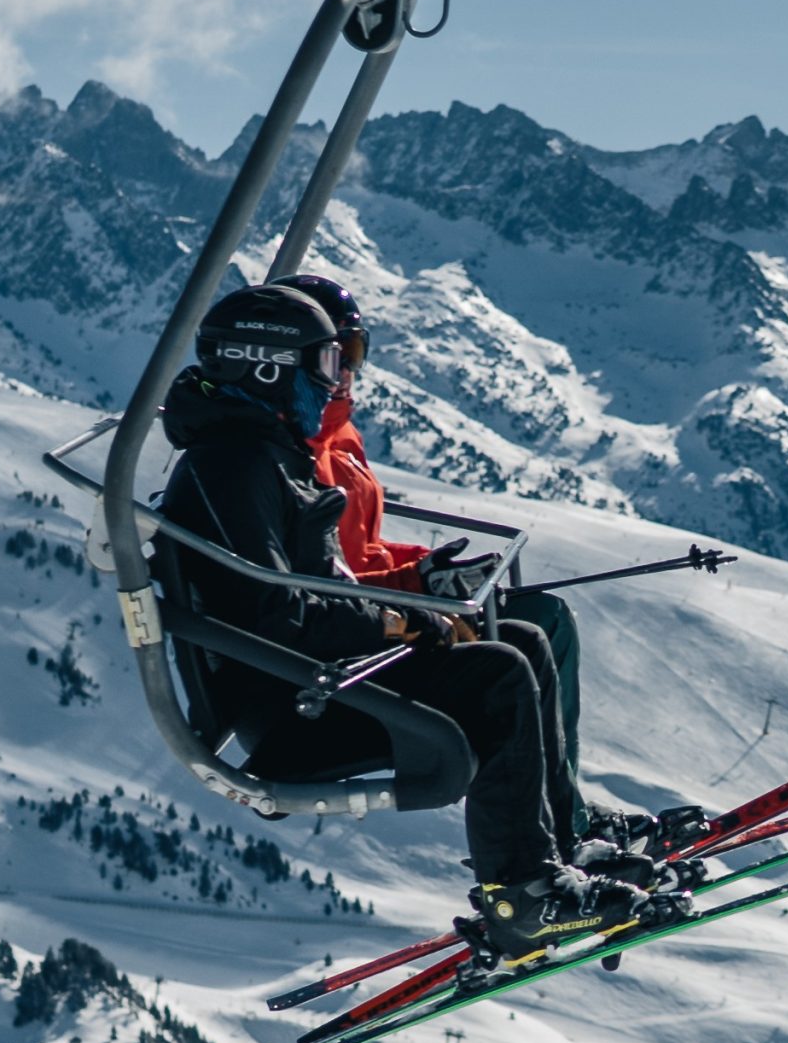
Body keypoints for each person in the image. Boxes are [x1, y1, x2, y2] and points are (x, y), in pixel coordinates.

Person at [156, 283, 665, 953]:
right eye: (326, 366)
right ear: (268, 365)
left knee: (522, 638)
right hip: (297, 707)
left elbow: (316, 587)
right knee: (499, 672)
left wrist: (405, 608)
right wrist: (395, 622)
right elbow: (273, 610)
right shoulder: (233, 465)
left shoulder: (266, 452)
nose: (335, 385)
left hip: (320, 679)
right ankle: (522, 894)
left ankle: (550, 857)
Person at [272, 272, 600, 834]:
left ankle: (564, 809)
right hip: (366, 644)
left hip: (388, 609)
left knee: (546, 620)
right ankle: (559, 830)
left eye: (355, 353)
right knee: (533, 631)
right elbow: (334, 579)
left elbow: (363, 548)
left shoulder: (337, 436)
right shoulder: (297, 452)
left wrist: (427, 568)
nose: (347, 372)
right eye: (335, 356)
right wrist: (419, 584)